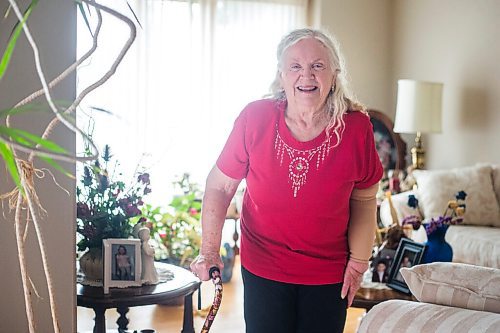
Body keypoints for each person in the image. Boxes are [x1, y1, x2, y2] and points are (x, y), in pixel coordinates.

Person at [190, 28, 383, 333]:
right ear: (281, 75)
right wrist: (210, 250)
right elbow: (220, 185)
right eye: (295, 66)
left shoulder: (357, 129)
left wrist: (358, 263)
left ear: (334, 74)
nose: (306, 75)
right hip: (263, 264)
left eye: (318, 66)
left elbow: (364, 199)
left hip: (328, 272)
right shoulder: (255, 118)